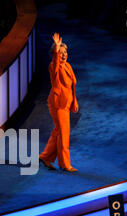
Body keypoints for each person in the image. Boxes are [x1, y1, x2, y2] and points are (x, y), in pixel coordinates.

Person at [39, 33, 79, 172]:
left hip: (66, 102)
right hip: (58, 104)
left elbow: (72, 86)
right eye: (61, 53)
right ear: (55, 54)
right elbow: (56, 61)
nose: (64, 55)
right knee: (64, 133)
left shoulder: (68, 66)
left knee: (58, 131)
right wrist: (56, 48)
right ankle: (65, 164)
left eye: (65, 52)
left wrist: (74, 101)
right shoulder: (53, 66)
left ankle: (44, 156)